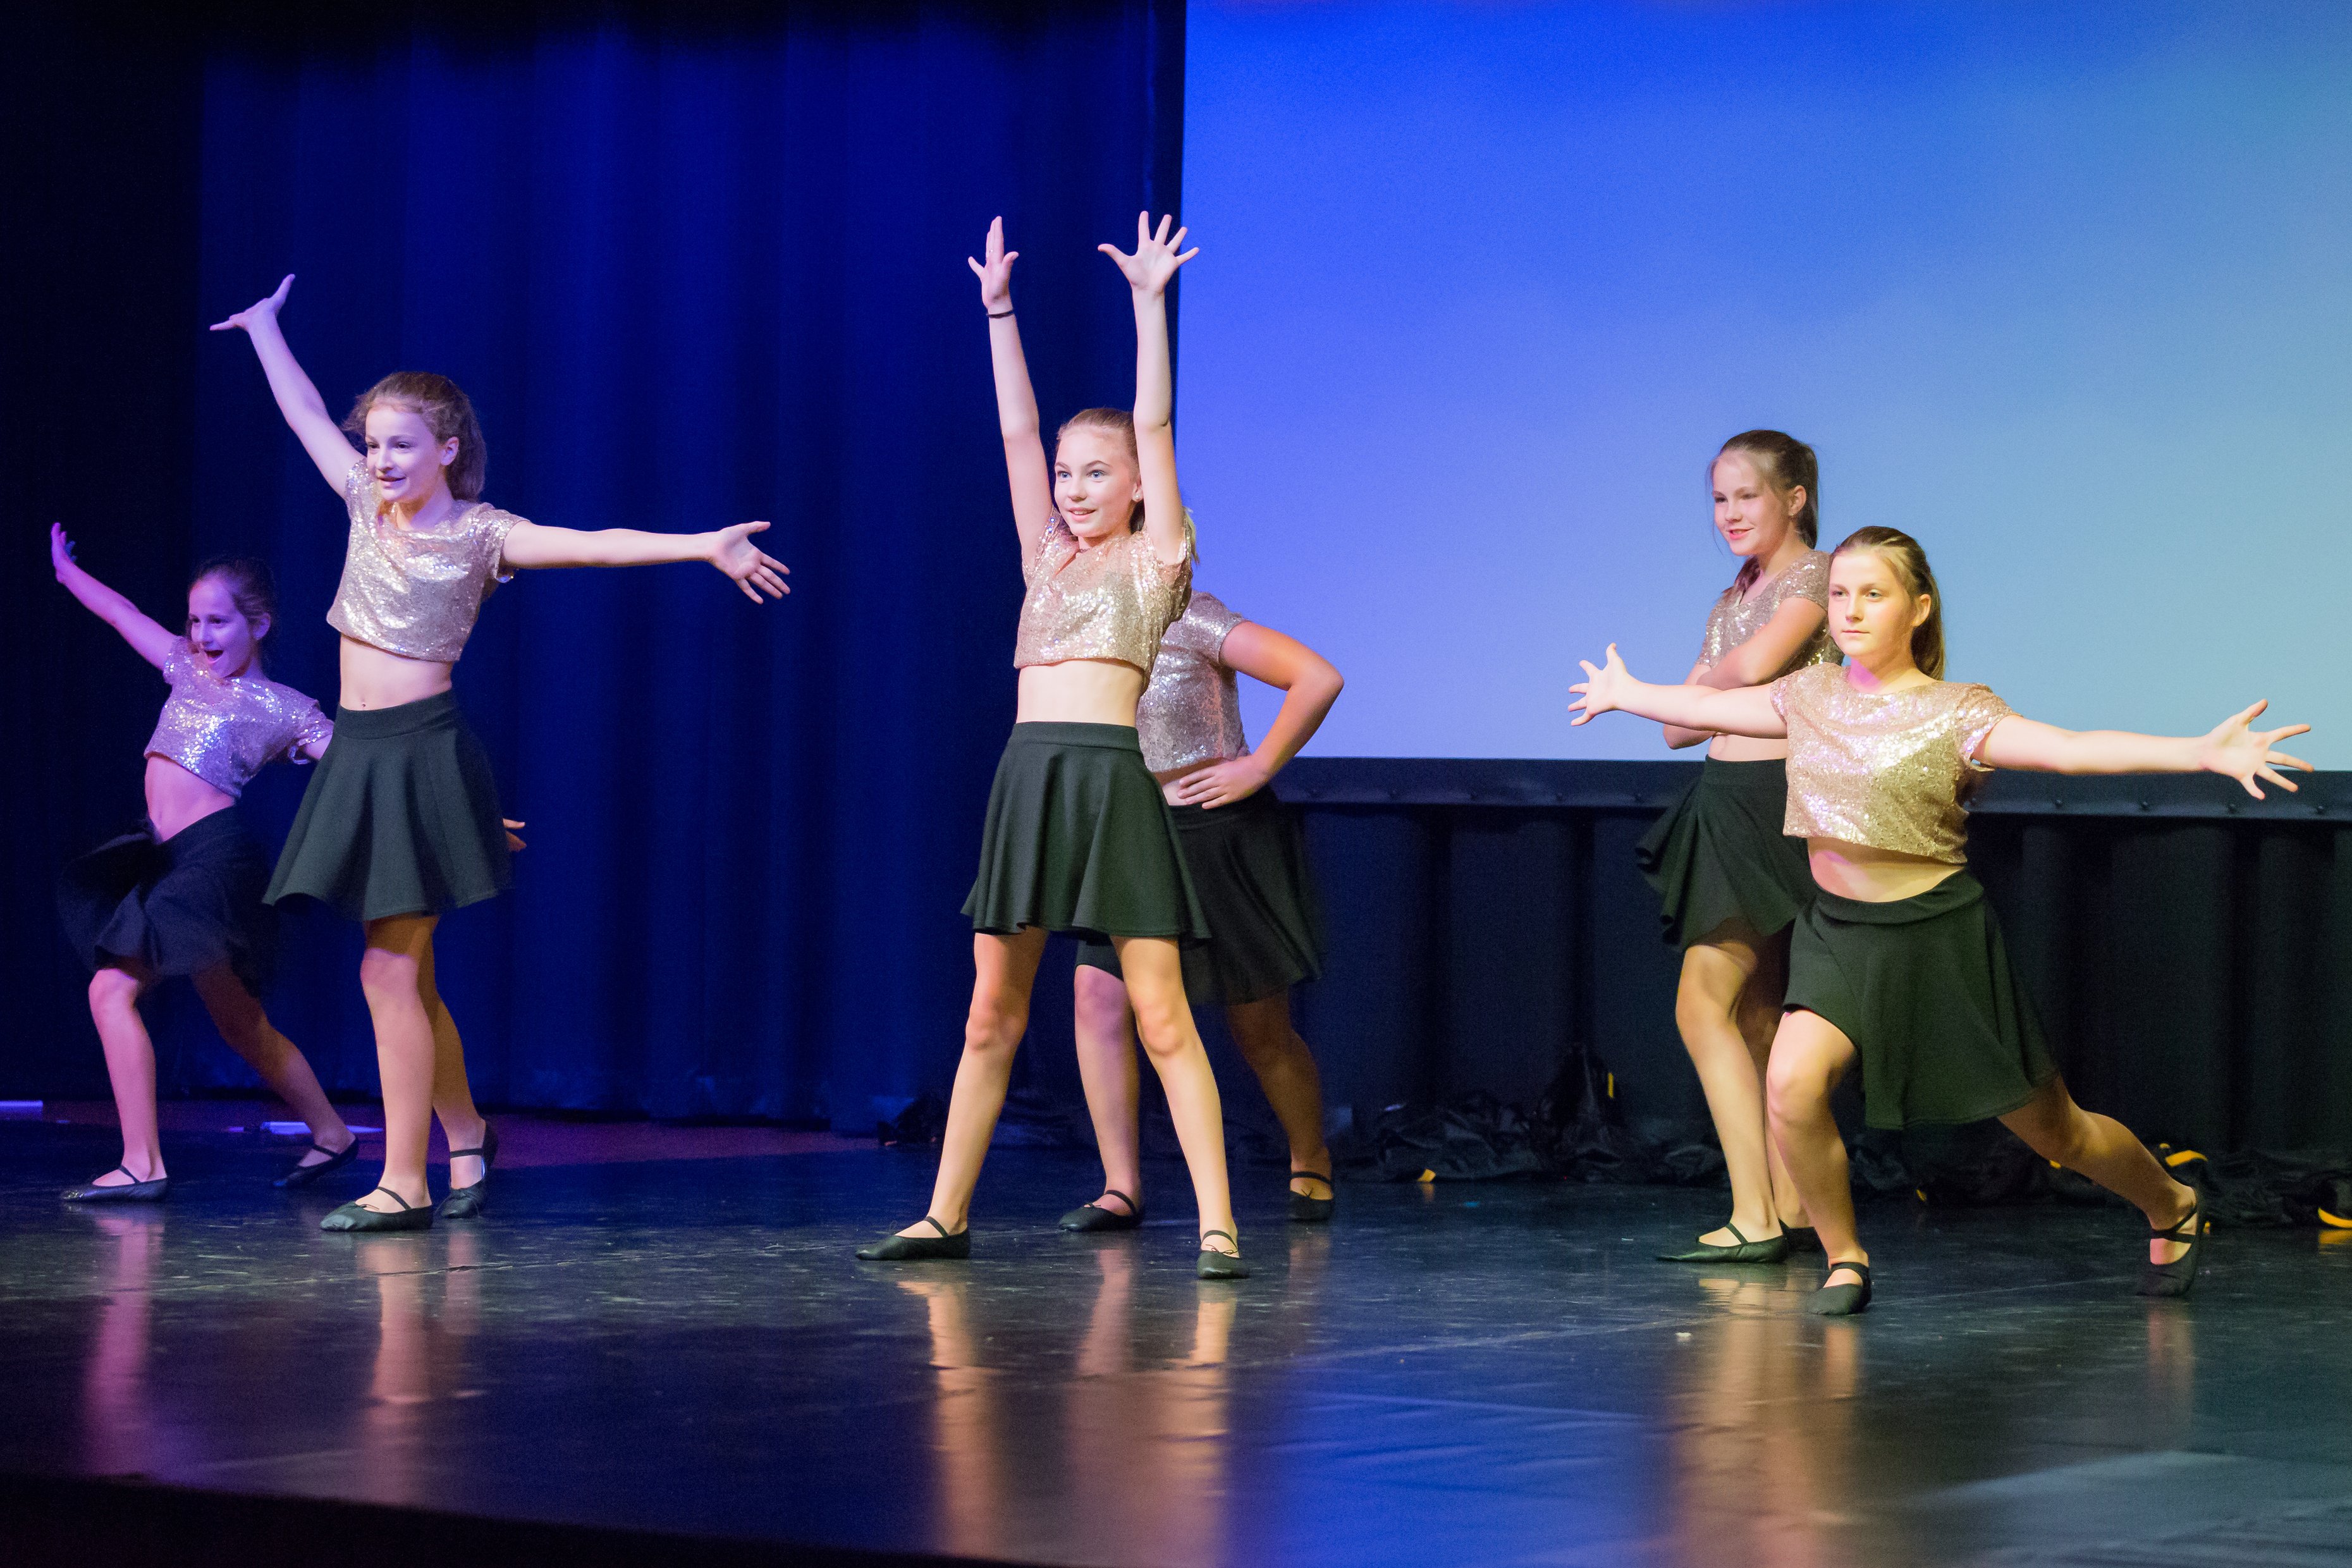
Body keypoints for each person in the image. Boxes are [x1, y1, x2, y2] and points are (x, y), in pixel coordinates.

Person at [1570, 525, 2310, 1313]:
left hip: (1939, 939)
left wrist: (2198, 753)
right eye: (1840, 593)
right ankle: (1845, 1257)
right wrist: (1627, 692)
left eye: (1874, 593)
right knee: (1789, 1085)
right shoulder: (1809, 694)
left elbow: (2066, 748)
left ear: (1918, 607)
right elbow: (1708, 706)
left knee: (2057, 1133)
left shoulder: (1956, 711)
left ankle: (2172, 1202)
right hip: (1838, 934)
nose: (1851, 609)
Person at [212, 274, 787, 1232]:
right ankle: (467, 1132)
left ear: (448, 450)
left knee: (387, 972)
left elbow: (595, 544)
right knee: (411, 975)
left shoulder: (483, 536)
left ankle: (406, 1179)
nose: (381, 460)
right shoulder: (361, 504)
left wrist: (701, 545)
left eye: (402, 445)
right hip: (360, 755)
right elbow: (305, 412)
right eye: (374, 444)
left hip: (421, 755)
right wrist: (266, 329)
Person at [857, 214, 1247, 1278]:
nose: (1074, 489)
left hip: (1111, 783)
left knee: (1161, 1016)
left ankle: (1217, 1224)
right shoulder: (1048, 559)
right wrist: (998, 312)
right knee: (992, 1012)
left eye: (1096, 474)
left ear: (1138, 487)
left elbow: (1155, 423)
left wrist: (1149, 306)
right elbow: (1017, 435)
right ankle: (945, 1214)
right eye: (1069, 475)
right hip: (1028, 782)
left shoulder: (1157, 560)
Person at [51, 526, 355, 1200]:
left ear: (258, 625)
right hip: (163, 859)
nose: (201, 634)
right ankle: (333, 1133)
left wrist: (463, 814)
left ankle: (143, 1164)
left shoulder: (283, 708)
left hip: (212, 862)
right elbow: (122, 614)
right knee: (241, 1024)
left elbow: (361, 765)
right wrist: (68, 573)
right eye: (194, 621)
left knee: (110, 991)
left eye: (218, 621)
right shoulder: (185, 669)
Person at [1059, 592, 1343, 1233]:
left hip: (1215, 832)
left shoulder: (1188, 616)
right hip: (1130, 832)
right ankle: (1121, 1186)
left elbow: (1318, 677)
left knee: (1259, 1027)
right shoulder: (1081, 622)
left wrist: (1258, 766)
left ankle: (1310, 1154)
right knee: (1097, 997)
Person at [1636, 432, 1834, 1263]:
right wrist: (1679, 693)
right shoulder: (1732, 596)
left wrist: (1688, 687)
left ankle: (1755, 1214)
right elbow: (1679, 727)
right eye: (1719, 498)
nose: (1729, 513)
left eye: (1746, 495)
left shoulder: (1818, 578)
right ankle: (1788, 1205)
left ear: (1794, 497)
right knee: (1756, 1013)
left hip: (1770, 804)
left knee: (1702, 1003)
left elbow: (1756, 665)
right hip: (1724, 800)